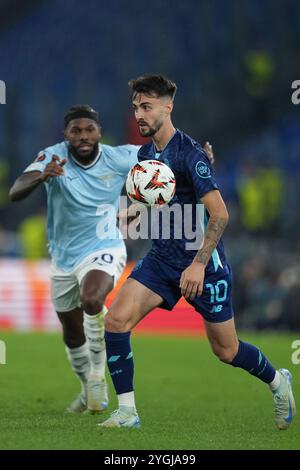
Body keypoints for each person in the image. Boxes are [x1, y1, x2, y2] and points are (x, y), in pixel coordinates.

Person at [99, 74, 296, 429]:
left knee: (227, 351)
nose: (139, 115)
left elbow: (220, 214)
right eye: (136, 107)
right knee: (115, 320)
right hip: (162, 258)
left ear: (167, 106)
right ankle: (127, 411)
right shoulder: (147, 153)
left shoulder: (190, 154)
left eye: (146, 107)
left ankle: (278, 381)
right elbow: (155, 201)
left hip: (202, 265)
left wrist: (198, 265)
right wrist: (129, 212)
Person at [9, 105, 139, 413]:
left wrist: (199, 157)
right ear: (65, 134)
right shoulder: (52, 156)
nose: (83, 136)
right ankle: (85, 388)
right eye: (75, 131)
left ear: (99, 132)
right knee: (71, 332)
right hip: (64, 257)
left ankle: (97, 376)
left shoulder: (119, 156)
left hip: (104, 244)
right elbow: (15, 191)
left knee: (92, 299)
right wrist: (42, 175)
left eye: (88, 130)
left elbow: (167, 160)